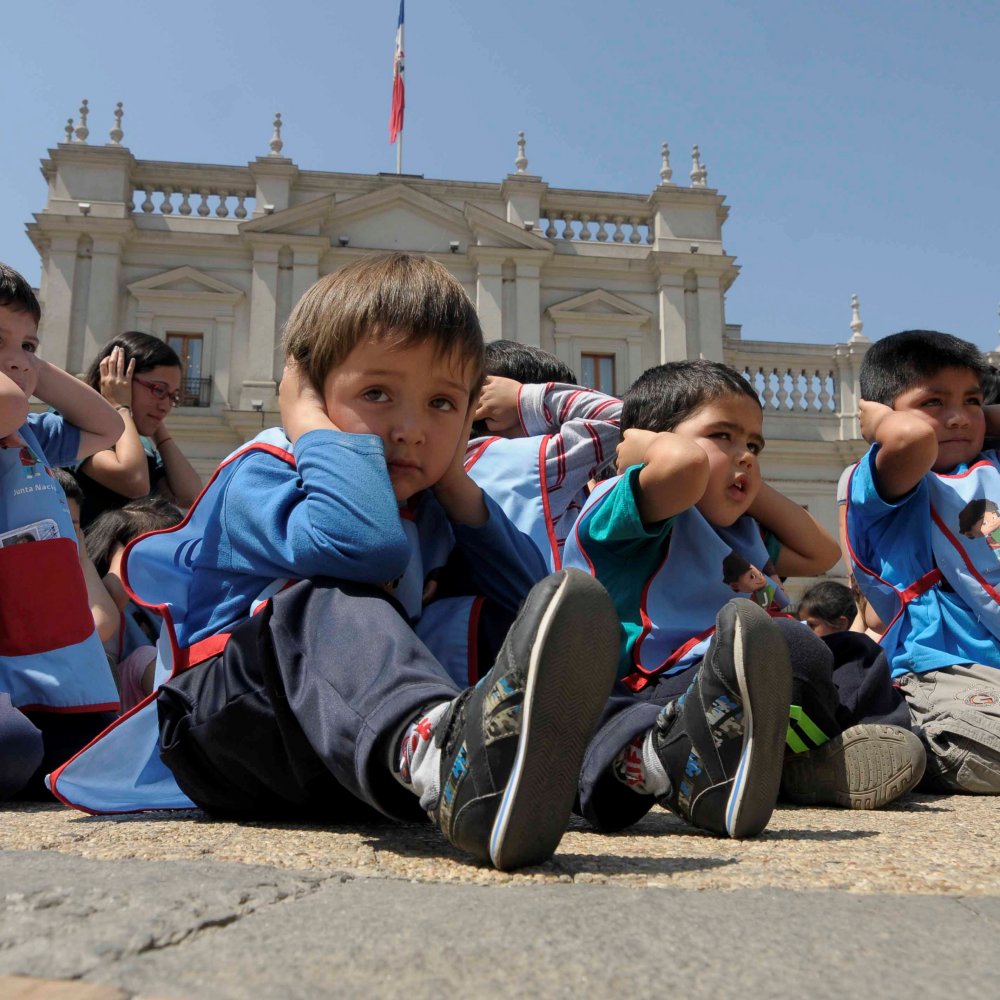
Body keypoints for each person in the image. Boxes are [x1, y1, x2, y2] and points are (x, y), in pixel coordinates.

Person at [50, 253, 619, 872]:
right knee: (326, 596)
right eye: (378, 393)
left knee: (499, 621)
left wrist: (454, 481)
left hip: (342, 752)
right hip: (230, 734)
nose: (410, 428)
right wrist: (312, 429)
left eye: (441, 404)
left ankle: (634, 761)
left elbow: (527, 599)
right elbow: (359, 546)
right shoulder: (266, 469)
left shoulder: (428, 506)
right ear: (311, 396)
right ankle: (437, 755)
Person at [563, 359, 924, 827]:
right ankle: (686, 761)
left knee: (851, 653)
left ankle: (816, 761)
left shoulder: (742, 530)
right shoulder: (630, 506)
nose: (747, 454)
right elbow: (681, 468)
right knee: (786, 645)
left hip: (765, 678)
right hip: (664, 688)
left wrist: (740, 477)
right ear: (656, 442)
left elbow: (820, 551)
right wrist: (640, 450)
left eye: (754, 444)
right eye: (723, 436)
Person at [847, 329, 1000, 793]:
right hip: (939, 671)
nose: (958, 418)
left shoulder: (988, 468)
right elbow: (911, 439)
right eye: (934, 402)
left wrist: (976, 417)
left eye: (972, 401)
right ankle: (896, 746)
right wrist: (880, 422)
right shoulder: (890, 478)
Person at [0, 261, 123, 799]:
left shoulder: (32, 432)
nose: (20, 359)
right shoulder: (10, 408)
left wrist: (29, 364)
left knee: (87, 764)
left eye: (31, 343)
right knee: (14, 748)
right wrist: (14, 370)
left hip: (50, 655)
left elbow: (108, 426)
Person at [465, 340, 621, 572]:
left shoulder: (458, 460)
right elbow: (624, 418)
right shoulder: (540, 463)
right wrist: (525, 400)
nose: (568, 427)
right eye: (559, 418)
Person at [74, 332, 201, 527]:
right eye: (159, 389)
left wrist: (158, 428)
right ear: (117, 378)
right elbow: (134, 480)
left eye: (172, 397)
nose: (166, 406)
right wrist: (120, 406)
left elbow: (190, 496)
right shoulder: (73, 422)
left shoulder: (139, 443)